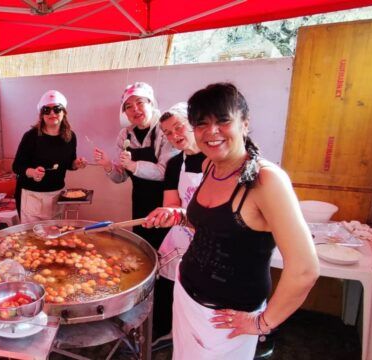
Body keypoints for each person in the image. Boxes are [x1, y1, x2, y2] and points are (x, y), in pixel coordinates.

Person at [149, 83, 319, 359]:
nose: (211, 132)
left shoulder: (266, 180)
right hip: (186, 295)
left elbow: (304, 270)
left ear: (244, 124)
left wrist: (262, 323)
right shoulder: (209, 166)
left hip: (227, 319)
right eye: (201, 124)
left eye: (223, 121)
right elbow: (211, 228)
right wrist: (180, 216)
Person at [143, 103, 206, 346]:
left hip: (207, 237)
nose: (174, 136)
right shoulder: (174, 164)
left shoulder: (213, 160)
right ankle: (164, 332)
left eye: (179, 127)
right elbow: (171, 204)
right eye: (168, 132)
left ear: (193, 124)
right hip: (181, 234)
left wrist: (182, 215)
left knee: (195, 293)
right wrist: (165, 215)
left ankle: (190, 337)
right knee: (167, 286)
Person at [93, 82, 178, 249]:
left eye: (140, 102)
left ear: (151, 103)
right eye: (129, 106)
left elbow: (164, 172)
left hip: (166, 201)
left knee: (163, 247)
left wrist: (132, 165)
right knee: (142, 246)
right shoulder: (125, 134)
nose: (135, 110)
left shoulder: (164, 129)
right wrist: (108, 165)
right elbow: (121, 177)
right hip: (139, 199)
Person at [13, 90, 87, 223]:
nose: (52, 113)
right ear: (41, 115)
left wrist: (77, 163)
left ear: (64, 112)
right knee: (33, 239)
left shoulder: (70, 136)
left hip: (57, 194)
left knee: (53, 237)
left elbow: (69, 163)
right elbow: (17, 166)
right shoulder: (31, 136)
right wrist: (33, 172)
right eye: (46, 110)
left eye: (57, 109)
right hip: (32, 196)